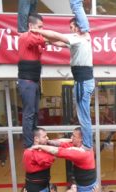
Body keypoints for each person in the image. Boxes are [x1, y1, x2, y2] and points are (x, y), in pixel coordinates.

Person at [31, 17, 95, 151]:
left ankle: (87, 144)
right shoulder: (80, 39)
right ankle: (88, 143)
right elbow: (59, 42)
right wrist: (46, 41)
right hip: (82, 80)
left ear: (78, 27)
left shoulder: (79, 37)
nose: (71, 30)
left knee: (83, 117)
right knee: (83, 116)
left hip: (82, 81)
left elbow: (56, 35)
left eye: (72, 27)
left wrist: (36, 31)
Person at [32, 127, 97, 192]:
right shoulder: (79, 145)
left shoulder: (82, 153)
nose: (71, 138)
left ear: (81, 139)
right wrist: (48, 141)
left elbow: (57, 151)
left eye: (74, 136)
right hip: (82, 184)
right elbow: (62, 142)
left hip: (86, 188)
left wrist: (39, 146)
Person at [18, 13, 46, 149]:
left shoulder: (35, 40)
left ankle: (34, 139)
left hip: (34, 81)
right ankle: (29, 144)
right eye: (39, 27)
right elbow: (42, 40)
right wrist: (42, 36)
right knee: (29, 113)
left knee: (35, 112)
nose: (41, 30)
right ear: (30, 26)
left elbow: (42, 43)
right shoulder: (25, 37)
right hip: (27, 81)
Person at [23, 127, 55, 192]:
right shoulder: (30, 152)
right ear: (36, 139)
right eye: (44, 136)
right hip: (36, 190)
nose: (47, 138)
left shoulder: (42, 148)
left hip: (44, 186)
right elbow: (49, 160)